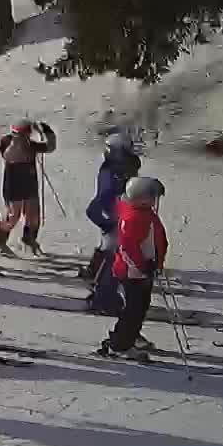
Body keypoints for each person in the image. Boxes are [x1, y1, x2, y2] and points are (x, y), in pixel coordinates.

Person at [99, 176, 167, 360]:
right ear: (140, 197)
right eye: (152, 197)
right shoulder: (133, 217)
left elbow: (157, 240)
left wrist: (157, 262)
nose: (155, 201)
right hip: (132, 273)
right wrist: (142, 266)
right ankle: (120, 344)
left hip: (144, 271)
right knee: (133, 309)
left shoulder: (146, 214)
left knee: (140, 308)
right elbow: (127, 248)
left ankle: (128, 337)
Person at [83, 131, 142, 313]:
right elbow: (101, 199)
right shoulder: (110, 172)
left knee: (113, 255)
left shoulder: (123, 167)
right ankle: (104, 298)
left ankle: (101, 289)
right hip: (114, 218)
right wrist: (105, 221)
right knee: (113, 258)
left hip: (122, 216)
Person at [0, 120, 57, 255]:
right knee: (12, 216)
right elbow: (11, 155)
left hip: (30, 184)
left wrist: (47, 130)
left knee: (33, 216)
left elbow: (50, 147)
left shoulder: (30, 145)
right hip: (13, 186)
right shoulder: (6, 143)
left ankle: (29, 240)